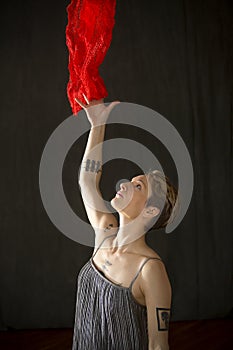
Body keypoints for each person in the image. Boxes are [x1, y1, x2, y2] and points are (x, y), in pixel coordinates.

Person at [72, 95, 179, 350]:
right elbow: (86, 180)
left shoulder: (150, 270)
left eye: (137, 185)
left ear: (150, 209)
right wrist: (98, 124)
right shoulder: (105, 233)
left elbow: (158, 345)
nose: (125, 184)